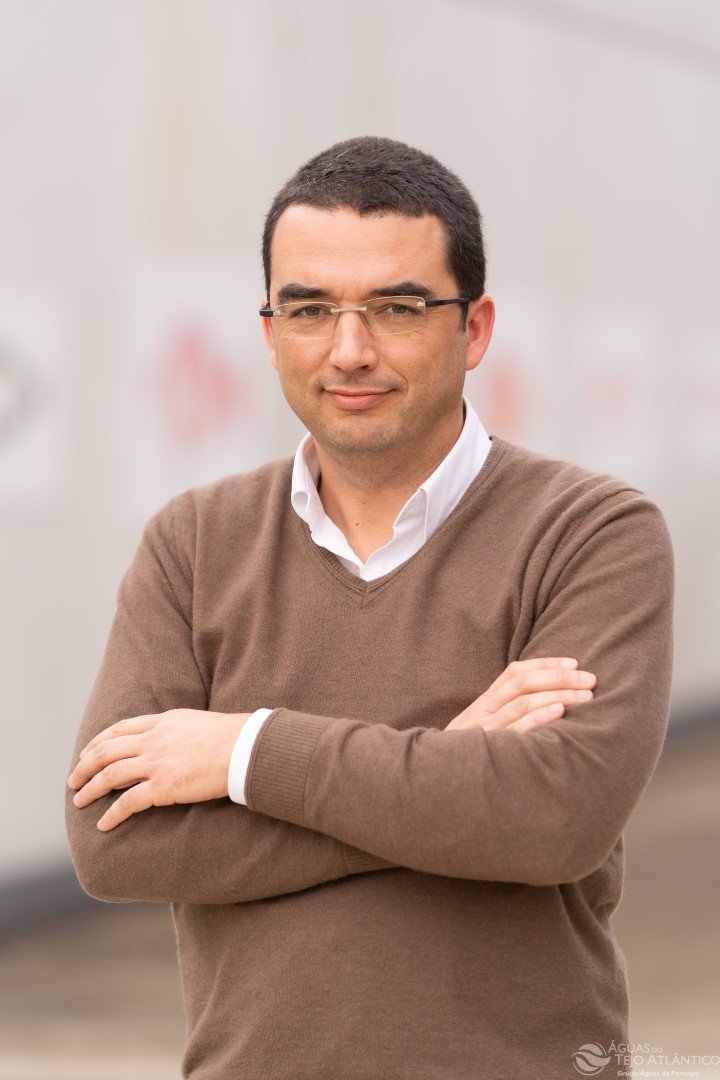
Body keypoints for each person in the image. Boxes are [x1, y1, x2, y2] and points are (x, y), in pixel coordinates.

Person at [65, 136, 674, 1080]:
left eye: (397, 308)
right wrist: (449, 766)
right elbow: (116, 845)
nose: (350, 351)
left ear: (474, 329)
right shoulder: (194, 544)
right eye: (310, 309)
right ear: (271, 333)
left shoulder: (591, 532)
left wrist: (245, 753)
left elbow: (554, 818)